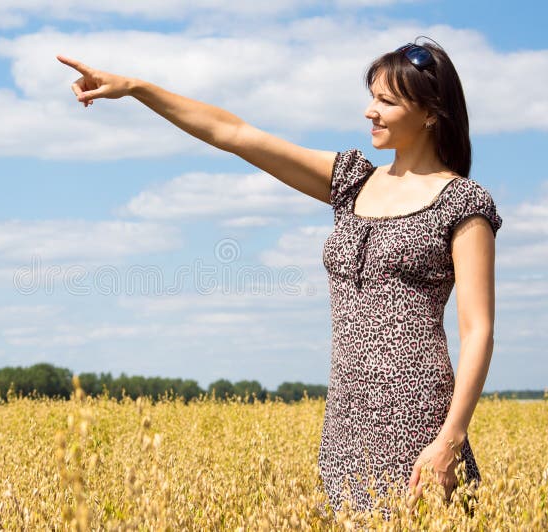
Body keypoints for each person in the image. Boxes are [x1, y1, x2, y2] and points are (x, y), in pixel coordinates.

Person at [57, 37, 501, 519]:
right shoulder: (351, 182)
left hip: (418, 414)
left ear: (431, 113)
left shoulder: (462, 202)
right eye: (372, 97)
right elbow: (234, 133)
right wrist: (137, 88)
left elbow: (478, 330)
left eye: (387, 101)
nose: (370, 111)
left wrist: (450, 438)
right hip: (345, 418)